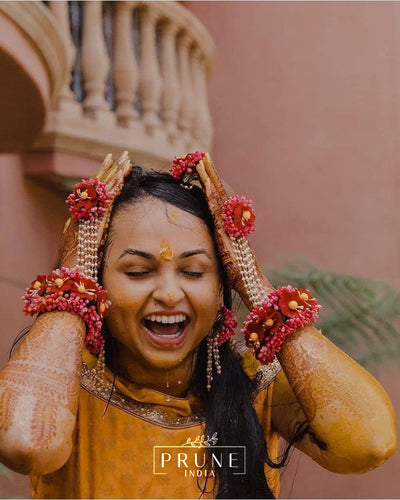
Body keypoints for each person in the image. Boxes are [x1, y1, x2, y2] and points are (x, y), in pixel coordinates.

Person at [0, 151, 396, 499]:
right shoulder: (66, 383)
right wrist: (73, 276)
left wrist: (256, 286)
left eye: (193, 271)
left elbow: (370, 444)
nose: (170, 294)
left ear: (222, 282)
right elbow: (26, 443)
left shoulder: (256, 385)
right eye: (138, 272)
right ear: (98, 281)